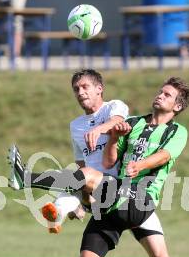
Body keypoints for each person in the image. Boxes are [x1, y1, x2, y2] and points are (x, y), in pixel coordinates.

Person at [8, 76, 189, 257]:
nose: (160, 95)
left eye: (168, 95)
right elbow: (109, 160)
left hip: (140, 198)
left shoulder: (177, 131)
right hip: (114, 196)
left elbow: (166, 155)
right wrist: (115, 139)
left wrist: (140, 165)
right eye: (160, 91)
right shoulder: (135, 123)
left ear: (177, 107)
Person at [41, 68, 129, 233]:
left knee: (159, 255)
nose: (80, 92)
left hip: (117, 186)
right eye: (76, 89)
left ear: (99, 88)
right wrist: (84, 197)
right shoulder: (75, 125)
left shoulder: (114, 106)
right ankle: (61, 211)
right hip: (93, 189)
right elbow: (81, 161)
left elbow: (117, 121)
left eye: (85, 87)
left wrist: (98, 129)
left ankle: (60, 209)